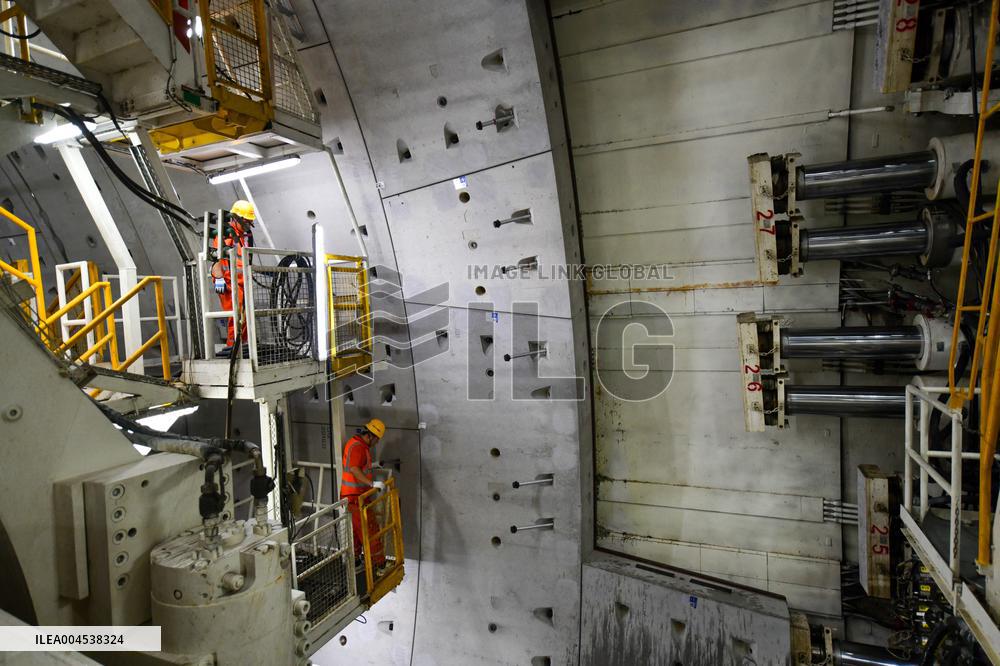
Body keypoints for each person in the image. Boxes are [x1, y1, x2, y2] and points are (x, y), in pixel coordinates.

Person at [340, 418, 386, 567]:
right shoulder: (358, 447)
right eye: (377, 440)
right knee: (370, 530)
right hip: (356, 497)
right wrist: (372, 484)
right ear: (371, 436)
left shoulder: (358, 444)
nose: (377, 443)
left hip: (354, 497)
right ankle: (380, 564)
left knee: (357, 532)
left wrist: (373, 465)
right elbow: (354, 469)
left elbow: (358, 465)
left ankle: (355, 561)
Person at [211, 200, 255, 356]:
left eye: (249, 221)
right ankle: (232, 349)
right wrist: (219, 279)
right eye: (246, 221)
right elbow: (215, 259)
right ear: (237, 218)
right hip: (229, 283)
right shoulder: (225, 235)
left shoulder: (242, 237)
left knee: (244, 317)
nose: (248, 224)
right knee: (235, 317)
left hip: (241, 283)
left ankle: (241, 346)